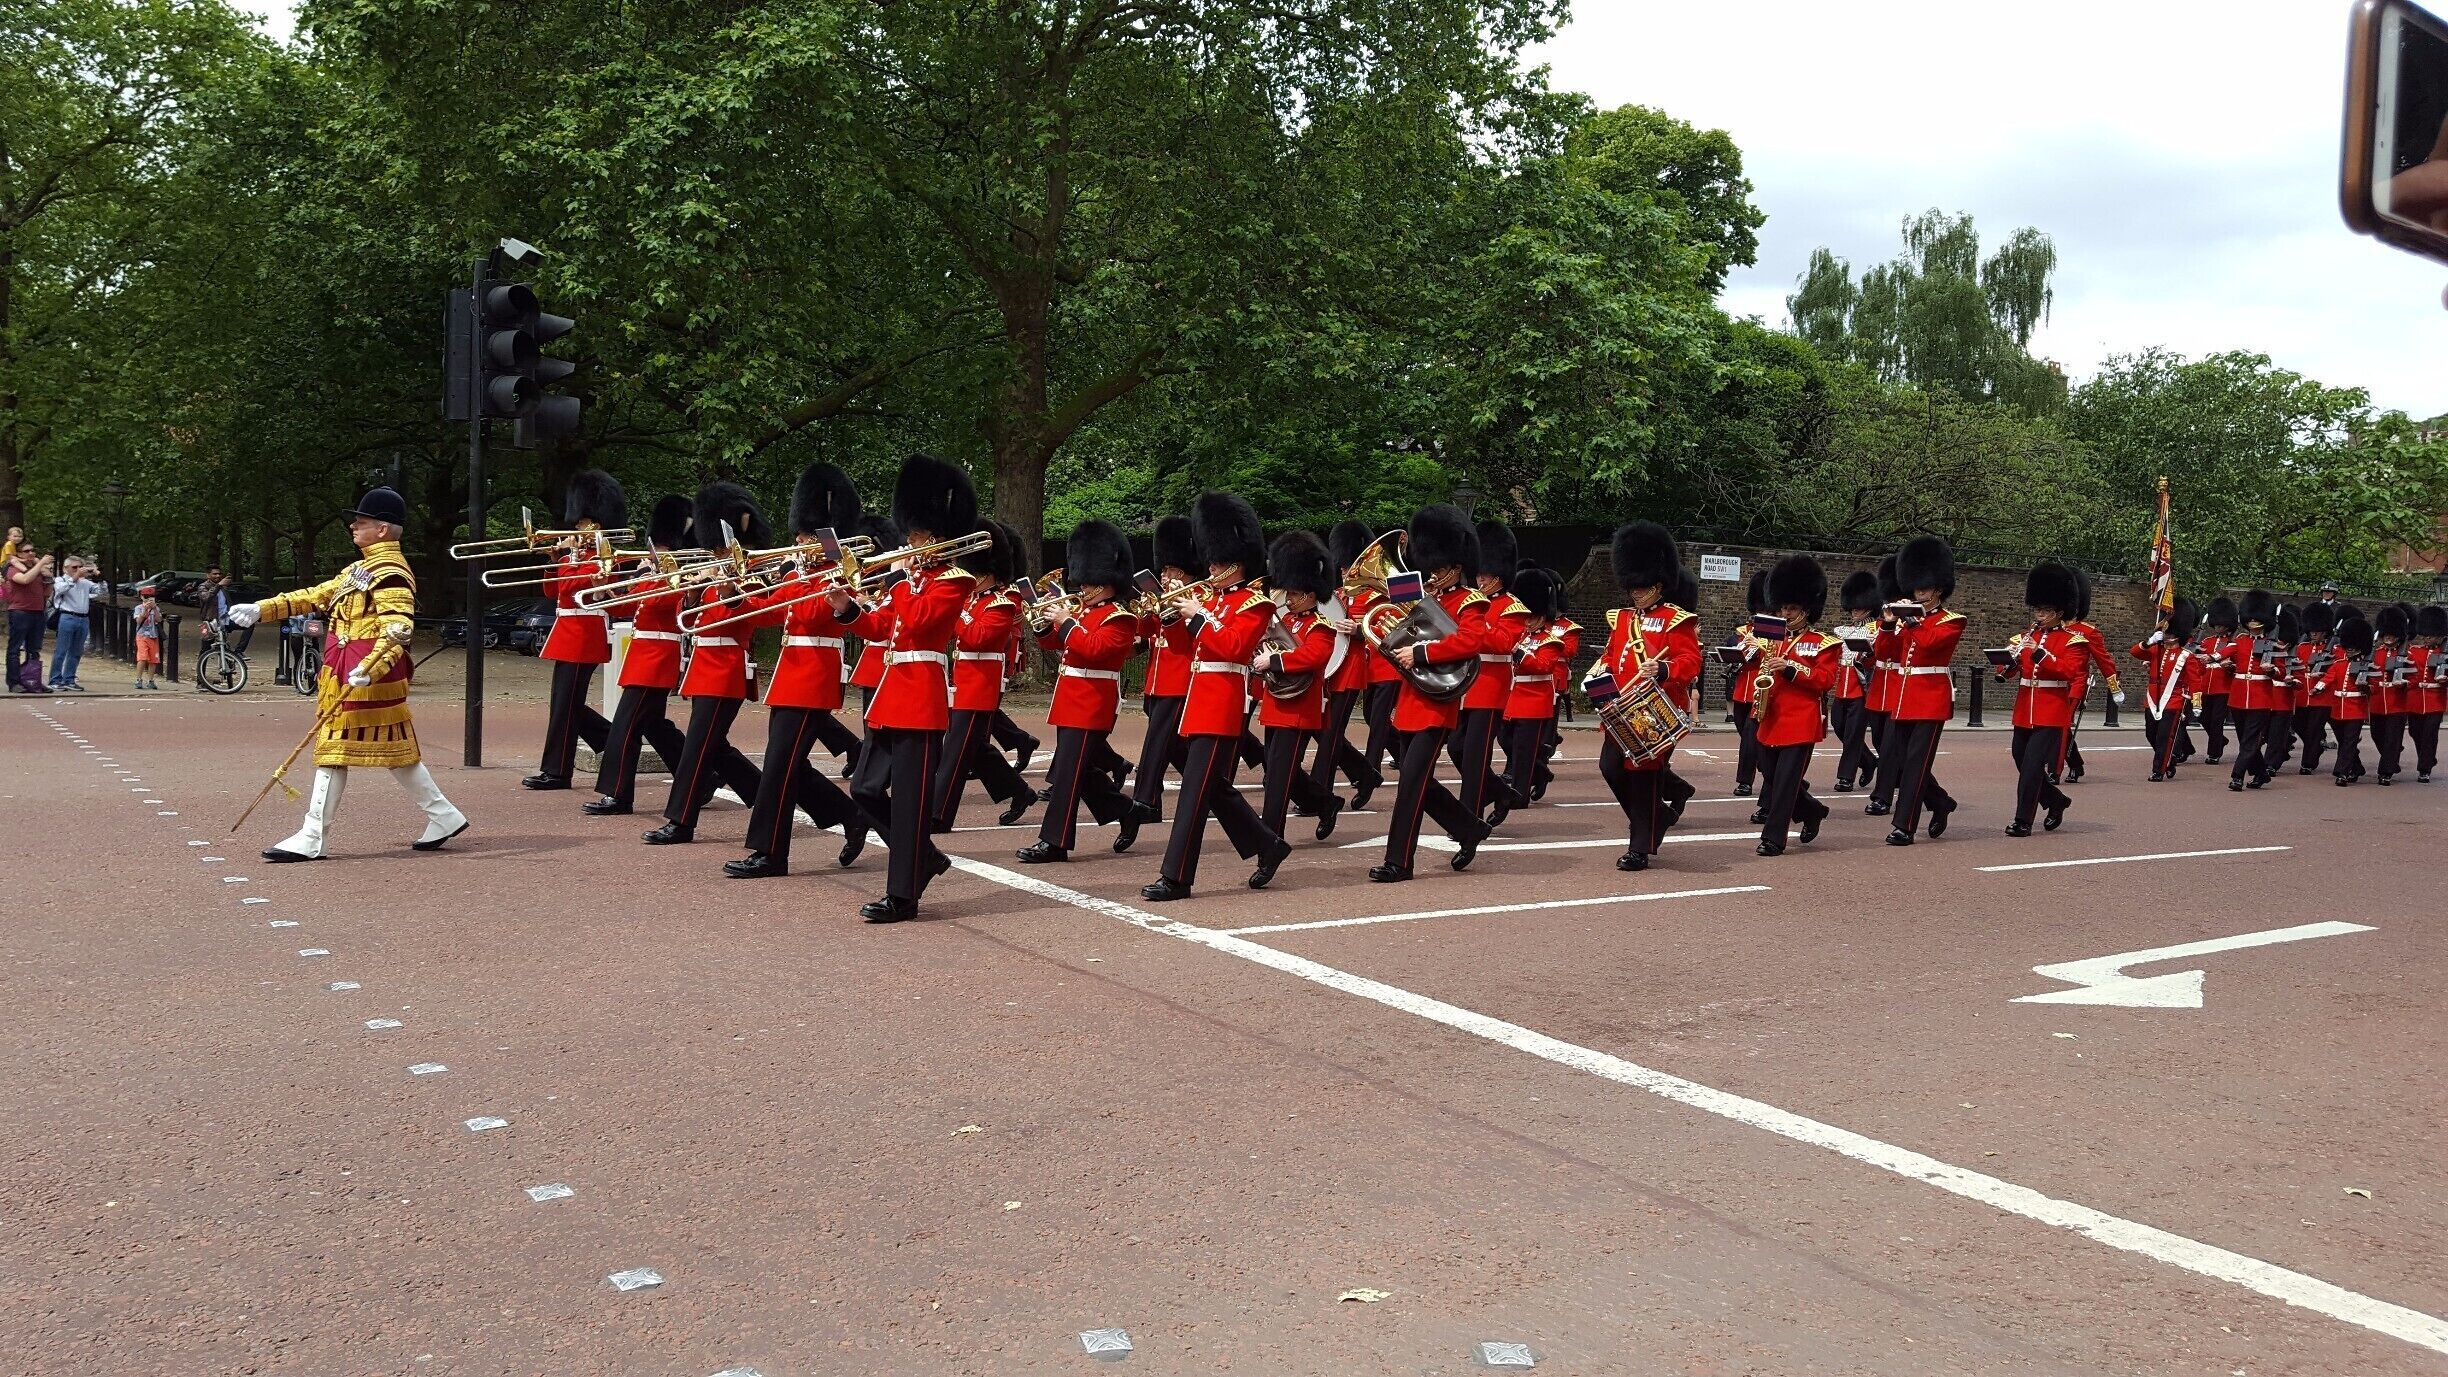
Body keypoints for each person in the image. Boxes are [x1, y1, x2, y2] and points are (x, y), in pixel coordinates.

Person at [227, 487, 468, 860]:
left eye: (363, 521)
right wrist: (262, 609)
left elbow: (397, 630)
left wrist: (371, 669)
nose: (354, 525)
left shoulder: (389, 572)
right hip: (347, 673)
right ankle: (444, 816)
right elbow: (316, 594)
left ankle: (312, 835)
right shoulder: (363, 568)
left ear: (383, 529)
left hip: (366, 678)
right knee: (396, 752)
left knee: (331, 750)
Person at [831, 454, 981, 923]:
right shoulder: (912, 581)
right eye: (911, 535)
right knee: (865, 790)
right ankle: (926, 858)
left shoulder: (956, 582)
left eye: (918, 537)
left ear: (939, 537)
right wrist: (848, 610)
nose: (910, 544)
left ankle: (903, 895)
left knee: (912, 804)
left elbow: (916, 623)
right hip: (890, 694)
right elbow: (884, 628)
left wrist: (897, 579)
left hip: (920, 696)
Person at [723, 464, 873, 879]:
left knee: (779, 766)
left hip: (814, 677)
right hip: (791, 677)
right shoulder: (798, 573)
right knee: (786, 764)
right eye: (800, 535)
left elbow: (810, 614)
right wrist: (735, 597)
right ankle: (851, 815)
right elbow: (771, 614)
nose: (799, 542)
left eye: (807, 536)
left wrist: (804, 579)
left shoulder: (839, 575)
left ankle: (770, 853)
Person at [1142, 492, 1290, 902]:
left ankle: (1176, 877)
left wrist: (1198, 617)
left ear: (1238, 563)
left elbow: (1234, 648)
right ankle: (1268, 844)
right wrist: (1172, 618)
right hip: (1197, 701)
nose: (1210, 567)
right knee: (1213, 788)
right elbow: (1180, 649)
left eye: (1218, 562)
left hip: (1223, 703)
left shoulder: (1255, 604)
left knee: (1193, 793)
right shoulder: (1210, 599)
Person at [643, 483, 774, 846]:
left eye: (721, 544)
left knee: (697, 748)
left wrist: (729, 588)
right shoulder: (715, 569)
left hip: (727, 668)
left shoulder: (754, 571)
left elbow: (758, 616)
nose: (716, 551)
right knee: (714, 748)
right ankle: (765, 794)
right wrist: (693, 590)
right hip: (703, 668)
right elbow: (692, 619)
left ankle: (680, 821)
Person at [1370, 502, 1491, 884]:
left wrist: (1421, 651)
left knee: (1410, 782)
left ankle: (1399, 861)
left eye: (1439, 568)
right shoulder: (1423, 596)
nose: (1433, 575)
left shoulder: (1472, 601)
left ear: (1456, 565)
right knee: (1414, 775)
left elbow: (1470, 641)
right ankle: (1469, 829)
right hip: (1412, 698)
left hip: (1439, 701)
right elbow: (1397, 639)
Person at [1017, 520, 1141, 863]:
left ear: (1109, 582)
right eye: (1083, 579)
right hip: (1070, 698)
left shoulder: (1120, 618)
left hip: (1093, 703)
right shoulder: (1083, 611)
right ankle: (1128, 811)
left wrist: (1066, 621)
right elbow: (1056, 643)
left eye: (1091, 581)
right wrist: (1045, 626)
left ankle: (1054, 842)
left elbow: (1094, 649)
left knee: (1069, 773)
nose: (1084, 586)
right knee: (1080, 771)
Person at [1586, 522, 1700, 871]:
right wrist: (1596, 680)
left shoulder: (1675, 619)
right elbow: (1611, 656)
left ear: (1659, 585)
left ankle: (1640, 846)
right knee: (1610, 768)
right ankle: (1657, 817)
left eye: (1643, 587)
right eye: (1633, 587)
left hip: (1655, 710)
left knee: (1644, 776)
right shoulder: (1621, 618)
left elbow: (1691, 660)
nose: (1636, 593)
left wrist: (1663, 670)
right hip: (1622, 708)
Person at [584, 495, 695, 816]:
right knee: (654, 726)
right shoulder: (654, 576)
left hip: (658, 657)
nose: (651, 554)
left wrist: (650, 575)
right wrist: (603, 587)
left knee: (626, 725)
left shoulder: (679, 576)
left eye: (659, 550)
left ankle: (618, 794)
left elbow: (665, 604)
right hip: (643, 656)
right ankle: (703, 780)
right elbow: (626, 606)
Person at [932, 519, 1039, 832]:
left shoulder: (1004, 602)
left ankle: (938, 815)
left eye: (974, 575)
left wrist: (956, 610)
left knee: (954, 751)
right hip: (961, 680)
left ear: (988, 573)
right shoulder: (973, 599)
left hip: (981, 685)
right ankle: (1020, 792)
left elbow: (978, 637)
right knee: (975, 749)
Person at [1251, 530, 1346, 847]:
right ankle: (1325, 802)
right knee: (1276, 775)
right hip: (1276, 704)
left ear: (1310, 593)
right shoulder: (1285, 621)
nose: (1288, 598)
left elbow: (1314, 655)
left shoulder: (1321, 626)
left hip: (1299, 709)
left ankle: (1270, 840)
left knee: (1278, 779)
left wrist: (1274, 661)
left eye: (1293, 593)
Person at [1873, 536, 1963, 845]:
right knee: (1905, 762)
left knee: (1915, 764)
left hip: (1930, 699)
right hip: (1902, 698)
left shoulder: (1952, 621)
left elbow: (1929, 643)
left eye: (1924, 588)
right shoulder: (1905, 621)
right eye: (1916, 588)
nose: (1918, 593)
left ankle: (1904, 826)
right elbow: (1885, 654)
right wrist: (1887, 625)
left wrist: (1910, 621)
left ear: (1938, 589)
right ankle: (1940, 802)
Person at [1119, 515, 1198, 852]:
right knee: (1177, 751)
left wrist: (1177, 611)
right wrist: (1148, 613)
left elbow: (1186, 643)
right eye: (1163, 571)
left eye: (1171, 571)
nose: (1165, 576)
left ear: (1185, 571)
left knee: (1153, 749)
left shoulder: (1200, 598)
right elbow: (1153, 635)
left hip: (1180, 682)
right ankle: (1212, 792)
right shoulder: (1168, 596)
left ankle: (1142, 805)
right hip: (1157, 682)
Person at [1749, 555, 1837, 857]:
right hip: (1769, 716)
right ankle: (1812, 810)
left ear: (1807, 609)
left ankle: (1773, 838)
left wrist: (1790, 668)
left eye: (1792, 608)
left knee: (1785, 784)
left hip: (1801, 719)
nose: (1786, 613)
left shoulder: (1824, 642)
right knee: (1772, 776)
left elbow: (1825, 679)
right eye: (1783, 607)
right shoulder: (1771, 638)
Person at [1998, 562, 2095, 835]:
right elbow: (2009, 674)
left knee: (2031, 768)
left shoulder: (2073, 641)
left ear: (2059, 612)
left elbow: (2067, 671)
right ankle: (2056, 800)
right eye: (2037, 610)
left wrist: (2039, 652)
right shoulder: (2023, 637)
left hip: (2051, 711)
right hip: (2024, 709)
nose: (2039, 615)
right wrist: (2008, 659)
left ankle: (2022, 820)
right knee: (2020, 760)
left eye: (2045, 610)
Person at [1305, 519, 1385, 810]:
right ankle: (1365, 773)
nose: (1343, 571)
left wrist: (1360, 630)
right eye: (1341, 567)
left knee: (1329, 734)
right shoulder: (1336, 596)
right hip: (1329, 669)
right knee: (1325, 730)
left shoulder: (1377, 596)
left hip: (1351, 669)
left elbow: (1389, 630)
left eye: (1348, 566)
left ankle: (1317, 795)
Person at [1455, 519, 1531, 827]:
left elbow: (1503, 643)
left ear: (1498, 575)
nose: (1480, 578)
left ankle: (1467, 816)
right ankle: (1501, 792)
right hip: (1463, 684)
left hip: (1489, 687)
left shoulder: (1513, 607)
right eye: (1478, 572)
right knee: (1457, 748)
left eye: (1485, 574)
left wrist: (1475, 628)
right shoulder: (1468, 601)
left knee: (1475, 755)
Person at [1499, 568, 1567, 811]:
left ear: (1541, 616)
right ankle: (1540, 772)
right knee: (1505, 739)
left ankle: (1519, 795)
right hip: (1514, 698)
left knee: (1523, 748)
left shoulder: (1551, 641)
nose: (1526, 621)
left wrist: (1518, 652)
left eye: (1531, 616)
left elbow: (1542, 665)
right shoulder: (1522, 636)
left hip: (1535, 701)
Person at [2132, 597, 2200, 781]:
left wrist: (2196, 703)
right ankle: (2168, 760)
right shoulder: (2155, 650)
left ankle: (2158, 770)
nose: (2167, 635)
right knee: (2150, 734)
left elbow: (2195, 681)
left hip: (2174, 699)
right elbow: (2135, 652)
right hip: (2153, 699)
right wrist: (2149, 641)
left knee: (2164, 737)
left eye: (2170, 632)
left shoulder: (2186, 656)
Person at [2222, 590, 2284, 790]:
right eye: (2250, 619)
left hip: (2260, 697)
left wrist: (2273, 670)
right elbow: (2226, 652)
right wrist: (2214, 659)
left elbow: (2281, 672)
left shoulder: (2274, 644)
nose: (2252, 622)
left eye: (2257, 619)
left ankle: (2237, 776)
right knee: (2244, 739)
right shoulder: (2240, 640)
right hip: (2238, 695)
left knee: (2249, 740)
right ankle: (2261, 773)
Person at [1827, 570, 1880, 791]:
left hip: (1861, 689)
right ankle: (1868, 761)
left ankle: (1845, 777)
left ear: (1869, 607)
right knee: (1838, 726)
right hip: (1842, 689)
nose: (1853, 612)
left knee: (1853, 735)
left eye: (1857, 608)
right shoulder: (1841, 631)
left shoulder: (1876, 629)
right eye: (1852, 608)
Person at [1726, 569, 1770, 797]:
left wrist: (1759, 645)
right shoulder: (1744, 631)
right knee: (1748, 738)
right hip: (1742, 690)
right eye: (1757, 610)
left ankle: (1745, 781)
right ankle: (1770, 771)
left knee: (1750, 741)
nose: (1758, 614)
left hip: (1762, 692)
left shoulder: (1776, 631)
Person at [2290, 603, 2338, 775]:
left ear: (2325, 631)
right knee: (2298, 724)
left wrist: (2321, 683)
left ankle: (2307, 763)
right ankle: (2316, 747)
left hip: (2322, 697)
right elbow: (2295, 667)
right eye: (2311, 631)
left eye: (2316, 631)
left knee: (2313, 730)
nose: (2313, 634)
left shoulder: (2334, 649)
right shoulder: (2302, 648)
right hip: (2302, 694)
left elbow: (2336, 670)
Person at [2327, 613, 2375, 785]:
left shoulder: (2367, 665)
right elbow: (2329, 677)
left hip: (2356, 708)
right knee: (2344, 740)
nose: (2349, 649)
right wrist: (2318, 688)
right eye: (2348, 646)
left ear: (2360, 647)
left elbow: (2374, 685)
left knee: (2348, 742)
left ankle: (2342, 772)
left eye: (2353, 647)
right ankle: (2357, 767)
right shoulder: (2339, 663)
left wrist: (2366, 687)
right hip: (2338, 708)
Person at [2370, 605, 2413, 785]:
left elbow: (2415, 677)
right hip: (2378, 701)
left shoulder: (2407, 654)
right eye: (2386, 634)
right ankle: (2392, 757)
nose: (2388, 638)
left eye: (2392, 635)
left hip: (2397, 703)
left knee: (2392, 738)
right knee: (2376, 734)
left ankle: (2385, 772)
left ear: (2398, 636)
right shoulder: (2375, 654)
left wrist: (2405, 683)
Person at [47, 555, 102, 691]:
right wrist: (75, 577)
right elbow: (61, 590)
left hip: (83, 618)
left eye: (79, 567)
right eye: (74, 567)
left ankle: (69, 679)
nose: (77, 570)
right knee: (61, 650)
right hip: (67, 617)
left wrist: (97, 576)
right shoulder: (60, 580)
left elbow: (100, 591)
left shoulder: (85, 583)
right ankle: (55, 679)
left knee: (76, 651)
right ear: (66, 568)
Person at [6, 536, 53, 693]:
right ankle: (14, 682)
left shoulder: (37, 570)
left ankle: (32, 679)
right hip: (20, 611)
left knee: (34, 649)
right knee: (15, 648)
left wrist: (48, 578)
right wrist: (40, 564)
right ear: (18, 554)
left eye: (33, 550)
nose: (31, 553)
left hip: (38, 611)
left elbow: (46, 591)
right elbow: (25, 579)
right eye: (26, 551)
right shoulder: (13, 568)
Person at [2195, 597, 2238, 763]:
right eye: (2217, 625)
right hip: (2205, 686)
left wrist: (2230, 667)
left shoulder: (2233, 643)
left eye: (2222, 625)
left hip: (2223, 688)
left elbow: (2237, 665)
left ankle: (2214, 753)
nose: (2218, 628)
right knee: (2202, 718)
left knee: (2216, 721)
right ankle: (2220, 740)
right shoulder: (2207, 641)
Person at [2411, 605, 2446, 782]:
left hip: (2435, 700)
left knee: (2429, 734)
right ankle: (2428, 758)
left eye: (2430, 636)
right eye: (2425, 636)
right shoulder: (2414, 651)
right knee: (2415, 732)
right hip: (2415, 699)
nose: (2426, 639)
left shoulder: (2445, 653)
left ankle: (2424, 769)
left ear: (2440, 636)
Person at [132, 585, 164, 690]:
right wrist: (144, 611)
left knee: (153, 659)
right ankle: (138, 679)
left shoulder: (156, 608)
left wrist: (154, 609)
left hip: (153, 635)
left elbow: (159, 620)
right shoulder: (138, 608)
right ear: (142, 597)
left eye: (151, 597)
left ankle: (151, 680)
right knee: (142, 657)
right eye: (146, 597)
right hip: (142, 635)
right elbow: (138, 621)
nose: (148, 599)